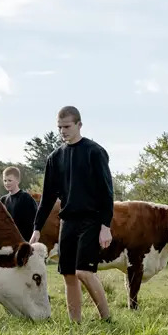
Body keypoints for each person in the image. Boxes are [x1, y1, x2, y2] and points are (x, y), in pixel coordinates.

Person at [30, 105, 113, 323]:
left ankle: (107, 318)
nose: (63, 131)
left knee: (83, 272)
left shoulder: (95, 152)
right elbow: (47, 197)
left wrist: (106, 226)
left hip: (91, 219)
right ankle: (75, 323)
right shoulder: (55, 158)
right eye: (59, 127)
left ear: (79, 125)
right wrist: (37, 228)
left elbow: (107, 192)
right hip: (67, 221)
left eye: (66, 126)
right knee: (68, 274)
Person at [0, 166, 39, 240]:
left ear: (18, 180)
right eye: (5, 180)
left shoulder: (26, 198)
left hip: (24, 240)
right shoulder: (3, 200)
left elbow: (34, 221)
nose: (7, 183)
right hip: (8, 240)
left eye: (10, 180)